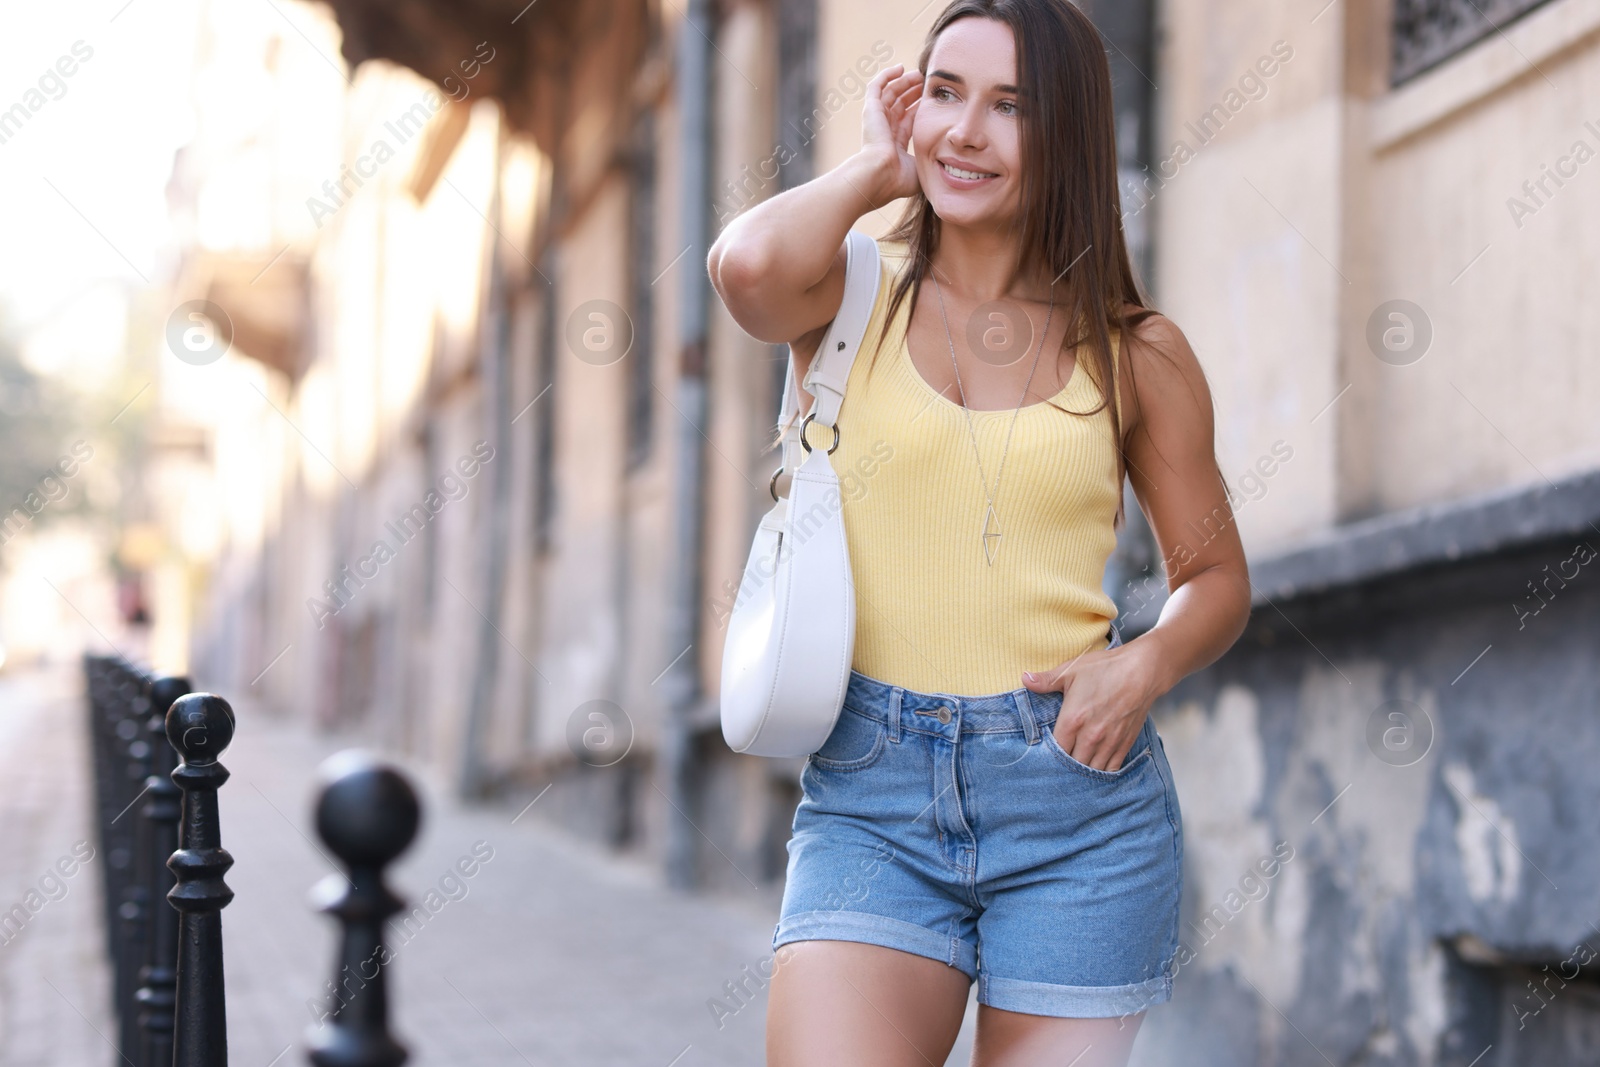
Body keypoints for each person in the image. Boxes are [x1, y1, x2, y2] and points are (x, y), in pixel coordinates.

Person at [707, 1, 1250, 1063]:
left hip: (1075, 806)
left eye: (1010, 105)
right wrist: (875, 170)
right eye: (944, 93)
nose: (964, 130)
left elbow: (1216, 576)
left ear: (1070, 135)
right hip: (872, 794)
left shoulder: (1139, 353)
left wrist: (1140, 667)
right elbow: (743, 267)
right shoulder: (848, 295)